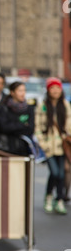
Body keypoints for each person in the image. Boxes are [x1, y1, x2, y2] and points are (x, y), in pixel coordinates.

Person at [35, 77, 71, 215]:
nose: (55, 90)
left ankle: (59, 200)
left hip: (62, 145)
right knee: (55, 172)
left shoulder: (65, 105)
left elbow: (69, 124)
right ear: (48, 90)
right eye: (52, 88)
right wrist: (43, 143)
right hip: (49, 146)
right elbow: (37, 127)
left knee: (61, 174)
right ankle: (49, 197)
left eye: (58, 88)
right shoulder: (42, 105)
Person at [0, 81, 35, 155]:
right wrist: (23, 125)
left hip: (25, 149)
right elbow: (4, 127)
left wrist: (13, 126)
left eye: (24, 90)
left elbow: (31, 128)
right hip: (7, 148)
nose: (23, 93)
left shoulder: (29, 108)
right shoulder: (5, 108)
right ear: (12, 92)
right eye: (20, 91)